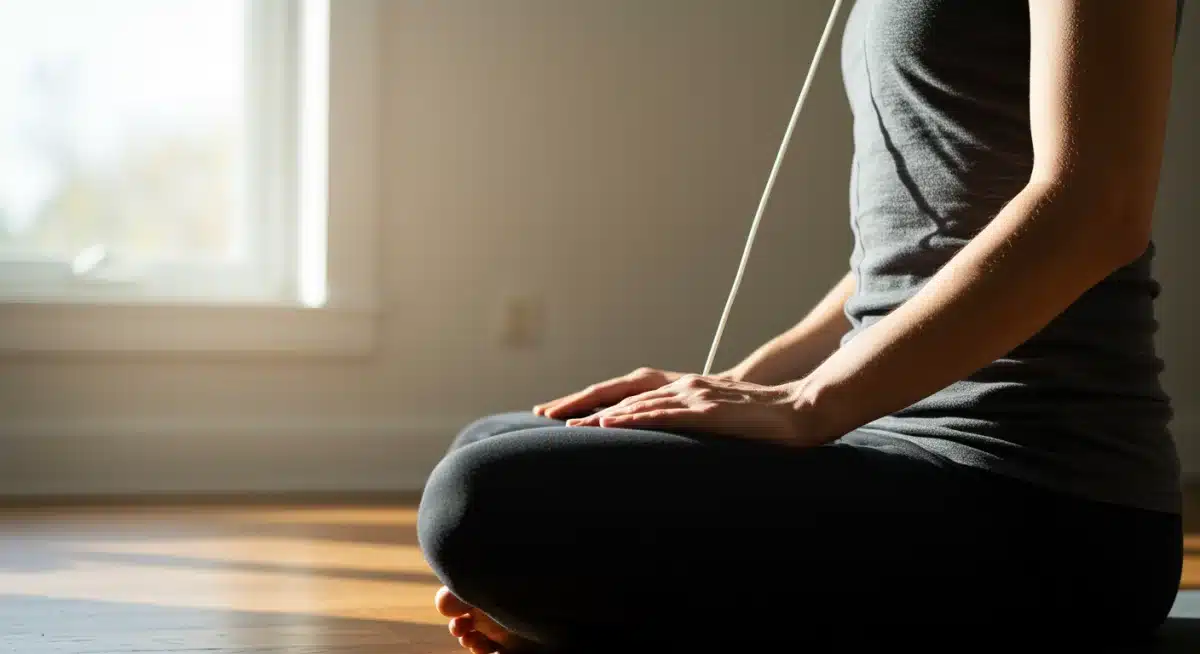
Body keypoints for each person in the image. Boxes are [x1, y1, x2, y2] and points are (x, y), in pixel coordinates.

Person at [417, 1, 1188, 651]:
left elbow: (1096, 208)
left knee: (482, 498)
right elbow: (910, 257)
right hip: (891, 445)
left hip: (1049, 504)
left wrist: (810, 404)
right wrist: (741, 387)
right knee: (494, 444)